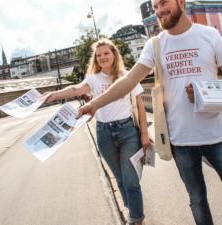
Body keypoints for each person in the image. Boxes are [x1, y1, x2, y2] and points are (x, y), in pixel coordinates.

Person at [76, 0, 222, 224]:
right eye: (154, 7)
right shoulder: (155, 44)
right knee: (197, 199)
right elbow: (129, 80)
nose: (159, 11)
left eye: (163, 3)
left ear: (181, 2)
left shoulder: (210, 35)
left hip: (217, 134)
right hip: (181, 140)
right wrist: (94, 104)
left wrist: (207, 92)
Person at [44, 38, 150, 225]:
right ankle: (131, 211)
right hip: (104, 133)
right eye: (98, 55)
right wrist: (54, 95)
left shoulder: (127, 75)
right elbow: (76, 88)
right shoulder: (93, 79)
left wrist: (144, 135)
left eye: (106, 53)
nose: (102, 57)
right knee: (119, 178)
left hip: (127, 132)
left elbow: (140, 106)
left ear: (114, 54)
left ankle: (136, 219)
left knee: (130, 179)